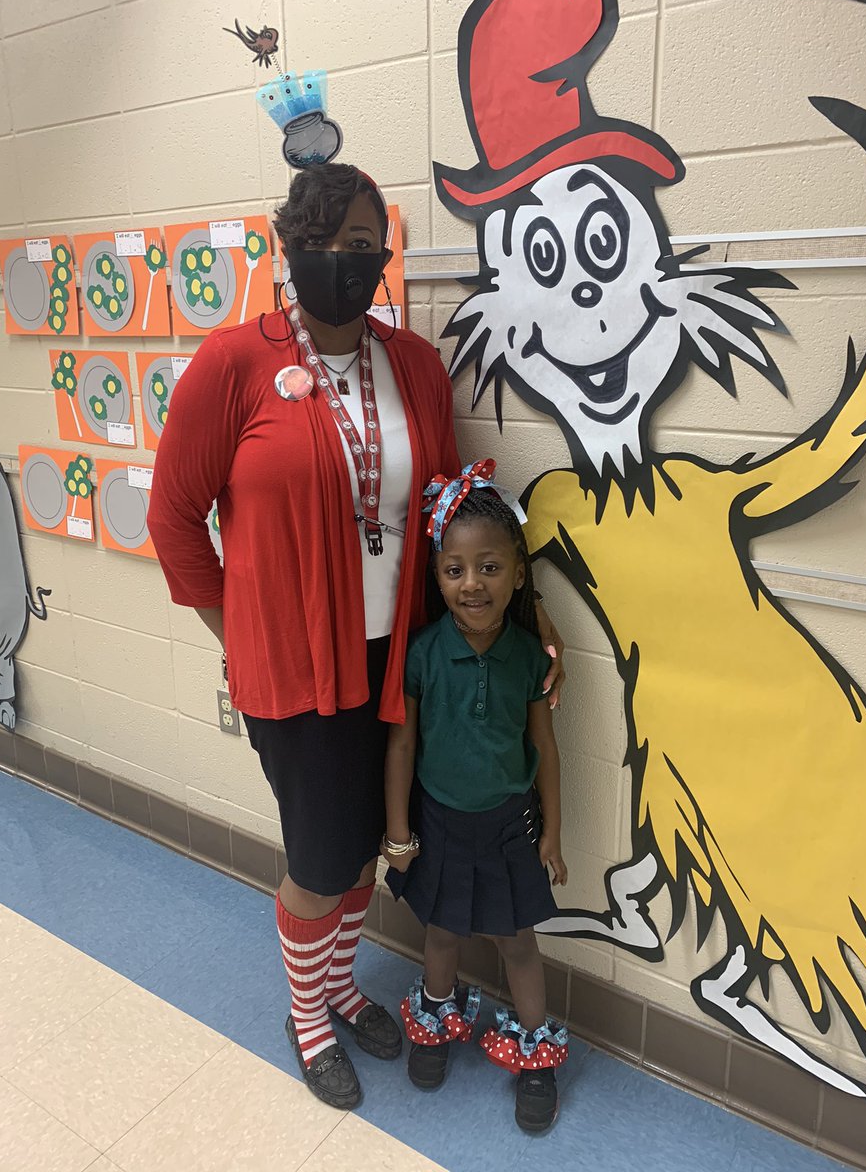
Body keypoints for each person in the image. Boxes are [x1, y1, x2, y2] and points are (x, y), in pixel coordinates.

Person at [148, 165, 565, 1111]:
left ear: (385, 252)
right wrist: (236, 630)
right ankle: (307, 1016)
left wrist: (526, 618)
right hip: (293, 668)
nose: (349, 261)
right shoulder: (233, 364)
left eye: (366, 244)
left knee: (378, 845)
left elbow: (464, 518)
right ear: (289, 248)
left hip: (400, 660)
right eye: (327, 243)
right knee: (320, 857)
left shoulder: (412, 365)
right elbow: (174, 517)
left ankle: (340, 985)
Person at [381, 465, 569, 1133]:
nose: (471, 584)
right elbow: (401, 749)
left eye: (488, 567)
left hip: (510, 827)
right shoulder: (424, 655)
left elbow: (545, 747)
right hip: (438, 824)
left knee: (517, 943)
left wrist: (550, 833)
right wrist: (398, 833)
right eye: (454, 570)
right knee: (440, 932)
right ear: (437, 578)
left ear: (517, 574)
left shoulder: (530, 657)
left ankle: (536, 1055)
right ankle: (434, 1023)